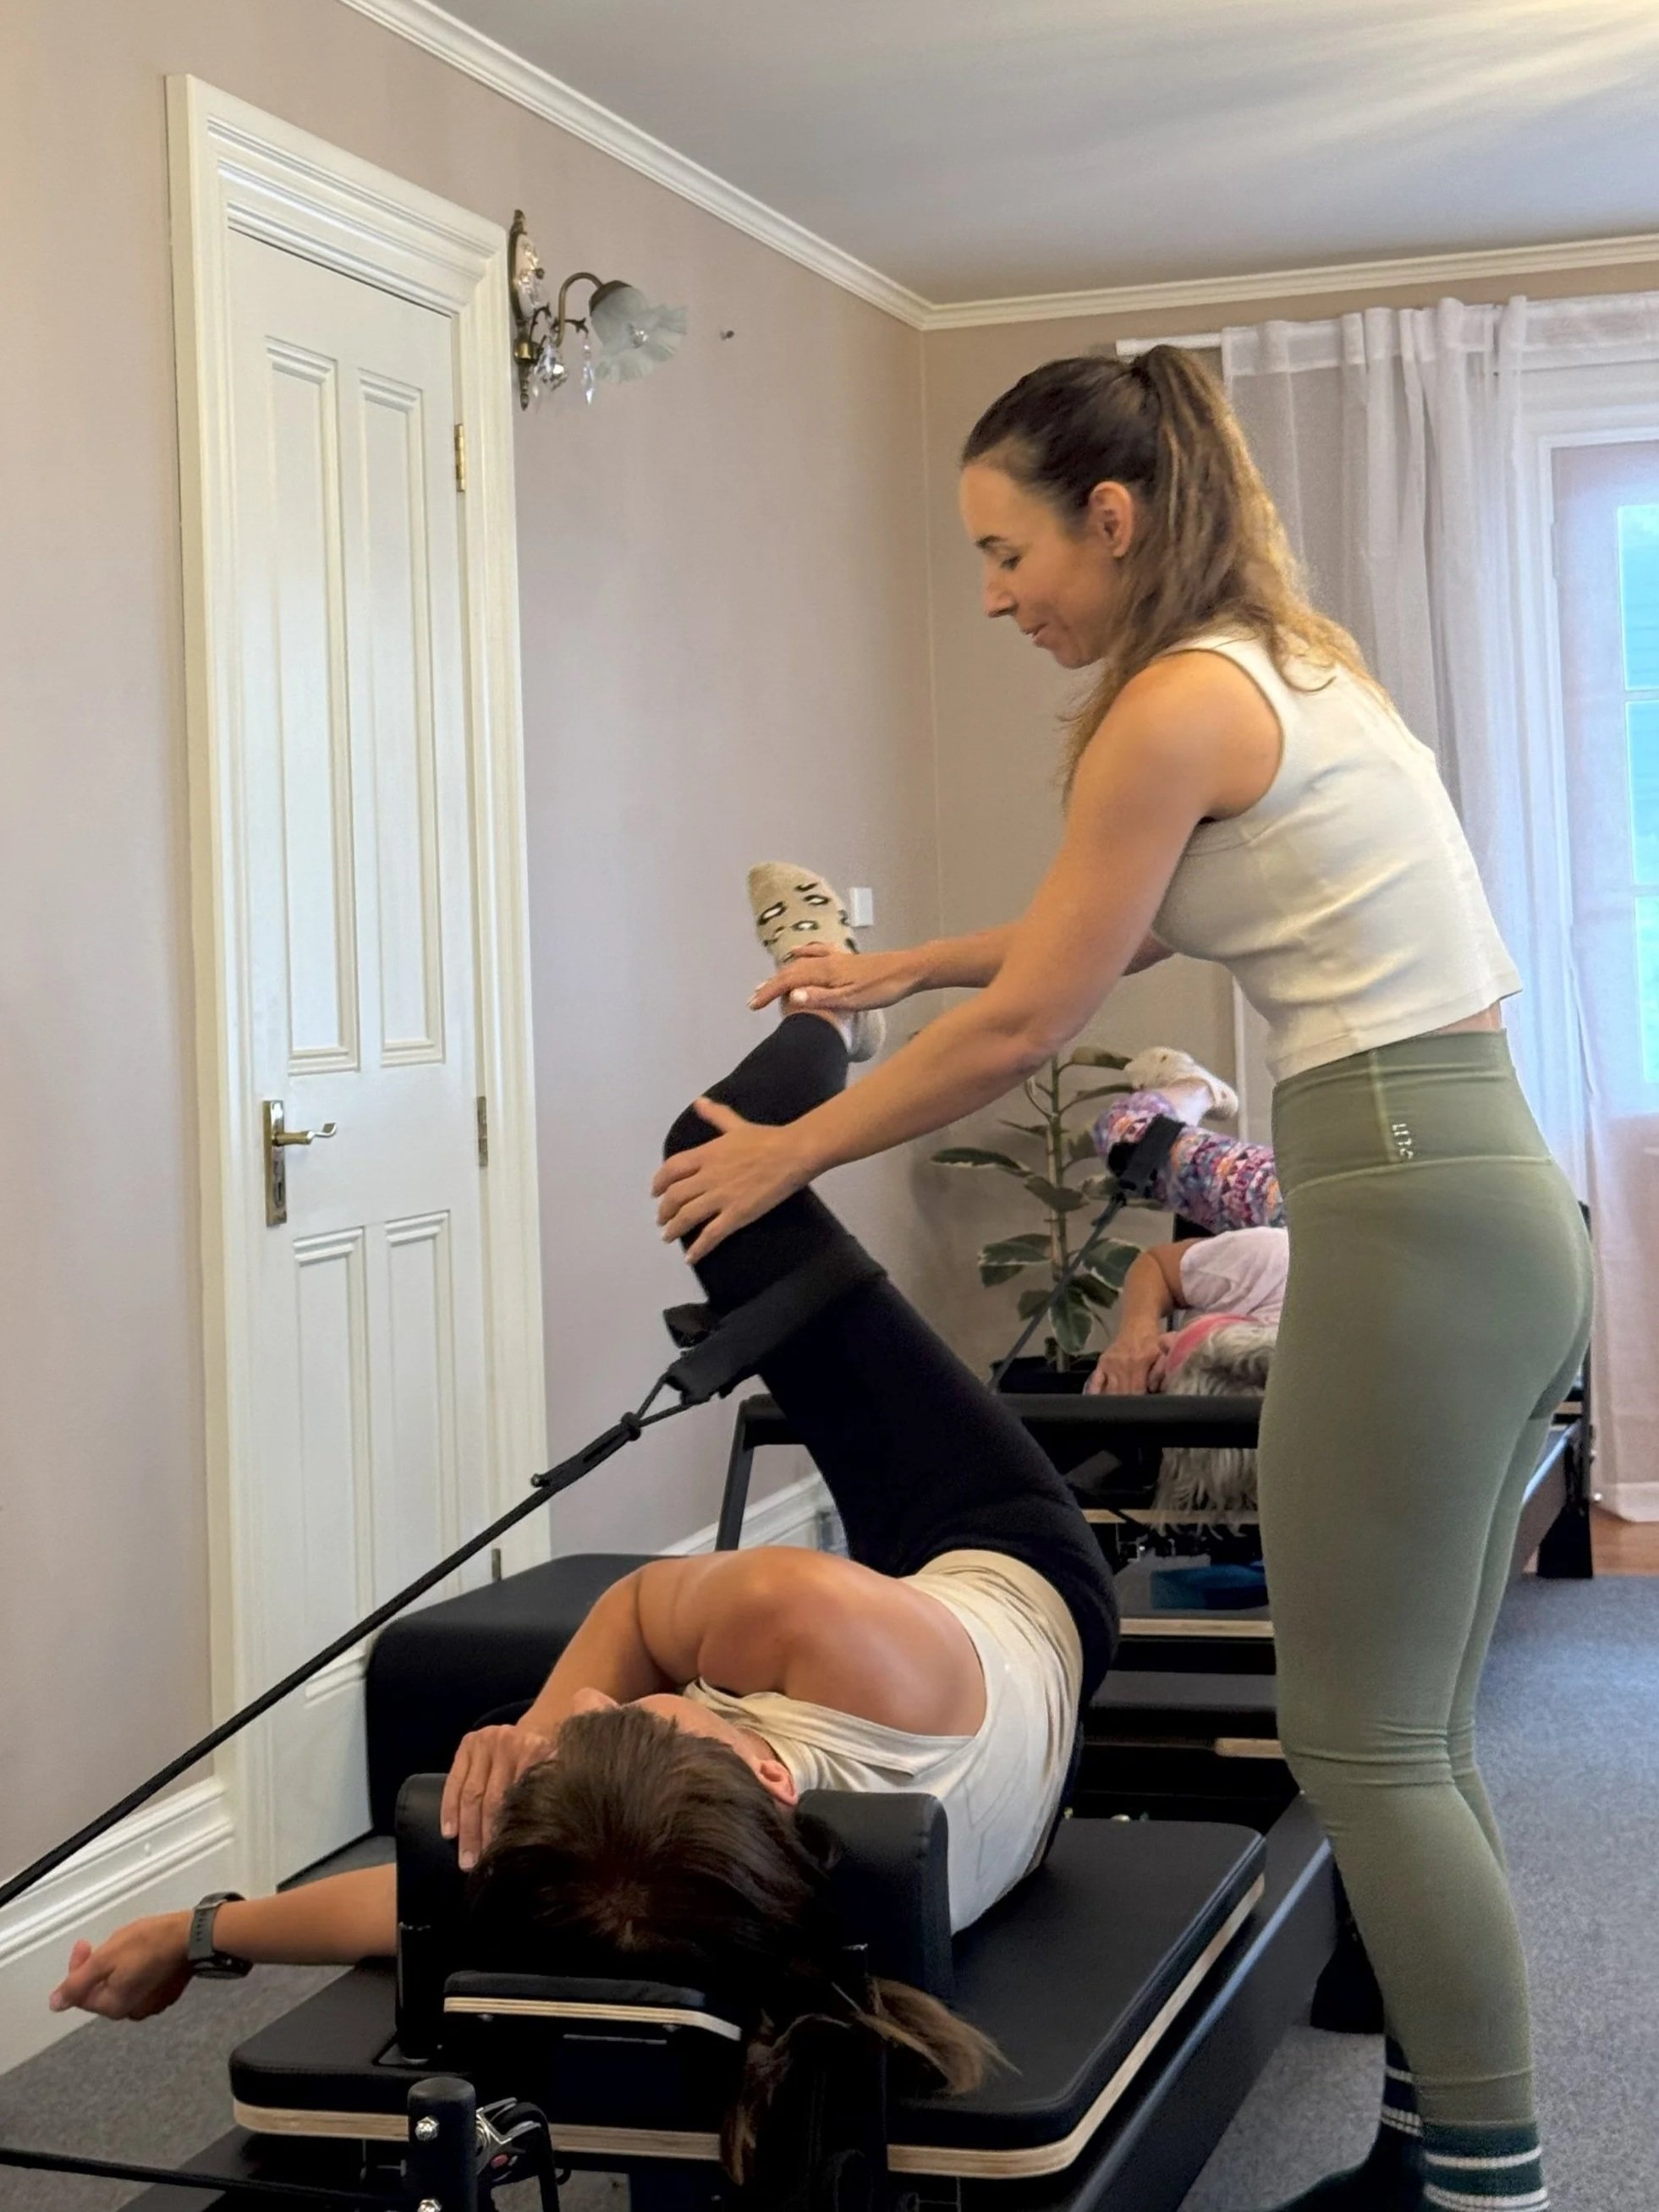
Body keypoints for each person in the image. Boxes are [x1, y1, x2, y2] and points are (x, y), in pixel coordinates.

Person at [655, 352, 1592, 2212]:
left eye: (1007, 553)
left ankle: (1488, 2188)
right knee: (1409, 1731)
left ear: (1111, 515)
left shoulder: (1171, 700)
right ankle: (1436, 2146)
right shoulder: (1281, 665)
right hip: (1479, 1196)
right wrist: (891, 967)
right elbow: (1125, 917)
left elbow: (1037, 1018)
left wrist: (784, 1152)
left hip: (1411, 1209)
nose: (995, 596)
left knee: (1360, 1740)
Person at [51, 974, 1118, 2182]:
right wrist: (546, 1727)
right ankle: (830, 1006)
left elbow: (403, 1901)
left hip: (972, 1759)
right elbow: (632, 1609)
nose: (603, 1704)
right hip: (1011, 1569)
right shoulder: (805, 1612)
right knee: (707, 1161)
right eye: (650, 1712)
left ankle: (830, 1013)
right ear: (770, 1767)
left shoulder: (697, 1893)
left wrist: (195, 1930)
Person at [1084, 1045, 1287, 1398]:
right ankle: (1195, 1089)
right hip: (1313, 1205)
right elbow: (1159, 1268)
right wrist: (1137, 1335)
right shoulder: (1283, 1260)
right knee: (1126, 1135)